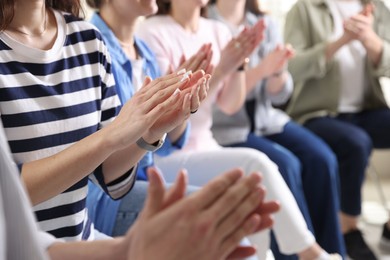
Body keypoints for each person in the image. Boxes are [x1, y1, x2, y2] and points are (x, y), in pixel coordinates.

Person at [137, 0, 341, 259]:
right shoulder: (152, 31)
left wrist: (239, 65)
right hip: (168, 152)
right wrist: (222, 69)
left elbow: (230, 105)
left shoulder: (217, 30)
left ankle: (273, 254)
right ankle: (311, 253)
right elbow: (170, 114)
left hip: (207, 144)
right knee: (257, 164)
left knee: (254, 198)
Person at [0, 0, 210, 242]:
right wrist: (109, 137)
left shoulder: (88, 39)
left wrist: (149, 131)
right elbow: (7, 195)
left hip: (82, 242)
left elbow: (107, 174)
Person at [0, 118, 280, 259]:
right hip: (108, 202)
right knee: (256, 165)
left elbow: (24, 245)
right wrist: (112, 137)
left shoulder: (90, 41)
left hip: (83, 233)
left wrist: (156, 128)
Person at [207, 0, 345, 258]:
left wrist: (278, 71)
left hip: (266, 119)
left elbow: (280, 95)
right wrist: (262, 70)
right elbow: (218, 104)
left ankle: (333, 251)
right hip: (226, 129)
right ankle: (297, 254)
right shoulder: (208, 24)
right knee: (286, 164)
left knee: (322, 158)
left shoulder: (266, 23)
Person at [85, 0, 212, 237]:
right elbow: (104, 162)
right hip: (108, 200)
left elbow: (165, 146)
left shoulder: (144, 52)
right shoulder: (90, 47)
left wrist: (181, 104)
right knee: (213, 214)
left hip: (146, 183)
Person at [284, 0, 390, 259]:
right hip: (316, 114)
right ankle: (348, 229)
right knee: (355, 143)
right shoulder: (304, 9)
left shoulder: (377, 7)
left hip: (366, 110)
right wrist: (342, 41)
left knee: (359, 137)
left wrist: (369, 39)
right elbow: (291, 68)